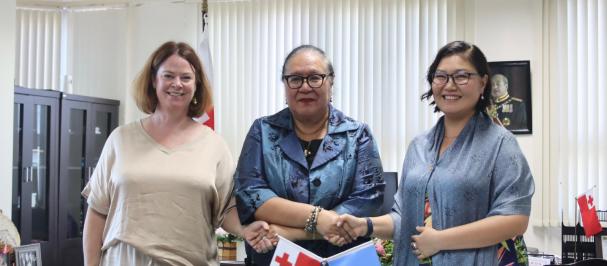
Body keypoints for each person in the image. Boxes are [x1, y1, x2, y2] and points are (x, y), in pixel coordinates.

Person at [336, 41, 535, 265]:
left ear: (483, 83)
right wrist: (365, 225)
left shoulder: (501, 144)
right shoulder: (419, 146)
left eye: (462, 76)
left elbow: (514, 219)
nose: (449, 85)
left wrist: (441, 240)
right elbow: (405, 218)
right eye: (441, 76)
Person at [81, 41, 273, 266]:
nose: (177, 84)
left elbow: (227, 210)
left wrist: (245, 229)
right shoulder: (120, 139)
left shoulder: (214, 145)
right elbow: (97, 214)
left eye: (186, 77)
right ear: (154, 81)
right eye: (168, 76)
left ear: (196, 85)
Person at [234, 44, 385, 265]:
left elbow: (368, 201)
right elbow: (250, 195)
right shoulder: (263, 131)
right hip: (275, 257)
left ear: (331, 82)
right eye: (295, 79)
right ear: (285, 85)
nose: (305, 87)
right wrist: (319, 219)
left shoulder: (357, 134)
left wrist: (291, 231)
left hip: (343, 258)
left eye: (315, 78)